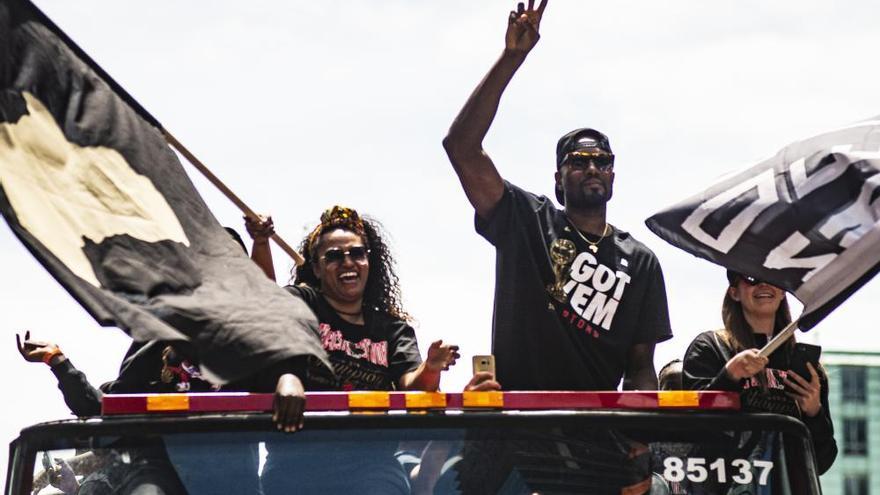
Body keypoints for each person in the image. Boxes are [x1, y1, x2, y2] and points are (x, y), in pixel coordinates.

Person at [442, 0, 672, 391]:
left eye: (602, 160)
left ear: (613, 174)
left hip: (595, 435)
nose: (592, 167)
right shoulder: (525, 219)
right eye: (579, 161)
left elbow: (640, 367)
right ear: (558, 178)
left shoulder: (641, 262)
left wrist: (638, 438)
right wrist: (512, 58)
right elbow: (462, 146)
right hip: (520, 424)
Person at [247, 206, 460, 392]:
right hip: (306, 435)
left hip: (365, 435)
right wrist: (261, 242)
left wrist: (431, 368)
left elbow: (412, 387)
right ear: (316, 269)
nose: (348, 263)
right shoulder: (305, 302)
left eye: (357, 253)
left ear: (369, 262)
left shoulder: (392, 330)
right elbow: (263, 305)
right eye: (334, 256)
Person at [682, 270, 838, 475]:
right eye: (752, 278)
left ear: (783, 292)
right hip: (724, 483)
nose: (764, 285)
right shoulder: (710, 348)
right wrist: (729, 376)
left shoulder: (805, 366)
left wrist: (814, 413)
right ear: (734, 292)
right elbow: (691, 431)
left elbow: (822, 463)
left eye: (773, 278)